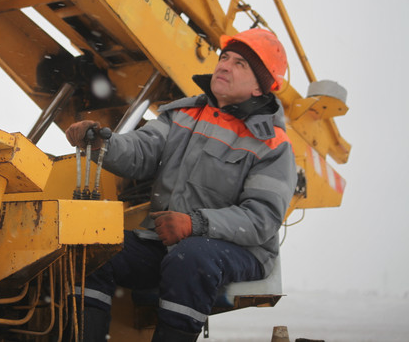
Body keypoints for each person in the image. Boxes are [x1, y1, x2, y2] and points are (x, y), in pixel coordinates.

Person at [65, 28, 297, 342]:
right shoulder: (183, 114)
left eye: (240, 63)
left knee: (191, 258)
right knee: (92, 246)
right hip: (170, 241)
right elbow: (141, 150)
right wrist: (101, 144)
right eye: (224, 57)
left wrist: (196, 224)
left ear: (260, 87)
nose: (224, 65)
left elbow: (261, 219)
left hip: (242, 251)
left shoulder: (273, 144)